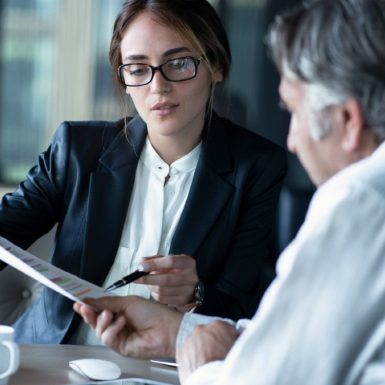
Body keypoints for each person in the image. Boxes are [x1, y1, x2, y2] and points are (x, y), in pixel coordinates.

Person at [74, 0, 385, 384]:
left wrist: (203, 369)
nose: (292, 140)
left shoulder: (361, 202)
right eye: (138, 68)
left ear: (348, 121)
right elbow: (297, 342)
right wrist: (178, 333)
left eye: (295, 113)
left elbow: (275, 376)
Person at [0, 0, 287, 344]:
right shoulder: (77, 149)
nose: (158, 87)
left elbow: (242, 305)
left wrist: (196, 293)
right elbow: (6, 233)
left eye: (179, 63)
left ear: (217, 66)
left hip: (166, 369)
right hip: (55, 359)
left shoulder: (256, 167)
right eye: (137, 69)